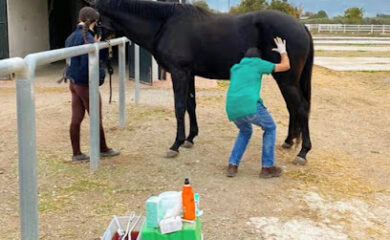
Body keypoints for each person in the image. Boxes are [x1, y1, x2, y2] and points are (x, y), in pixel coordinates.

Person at [226, 37, 290, 178]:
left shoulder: (235, 68)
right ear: (258, 58)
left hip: (232, 108)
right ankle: (267, 167)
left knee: (245, 131)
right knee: (270, 128)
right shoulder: (257, 64)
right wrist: (283, 52)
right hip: (250, 105)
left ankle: (232, 165)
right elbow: (285, 66)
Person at [65, 7, 120, 161]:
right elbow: (89, 66)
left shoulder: (71, 37)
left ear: (79, 19)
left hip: (73, 82)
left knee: (76, 118)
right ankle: (102, 148)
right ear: (94, 22)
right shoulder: (87, 39)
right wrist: (101, 76)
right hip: (85, 84)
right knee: (96, 116)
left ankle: (76, 153)